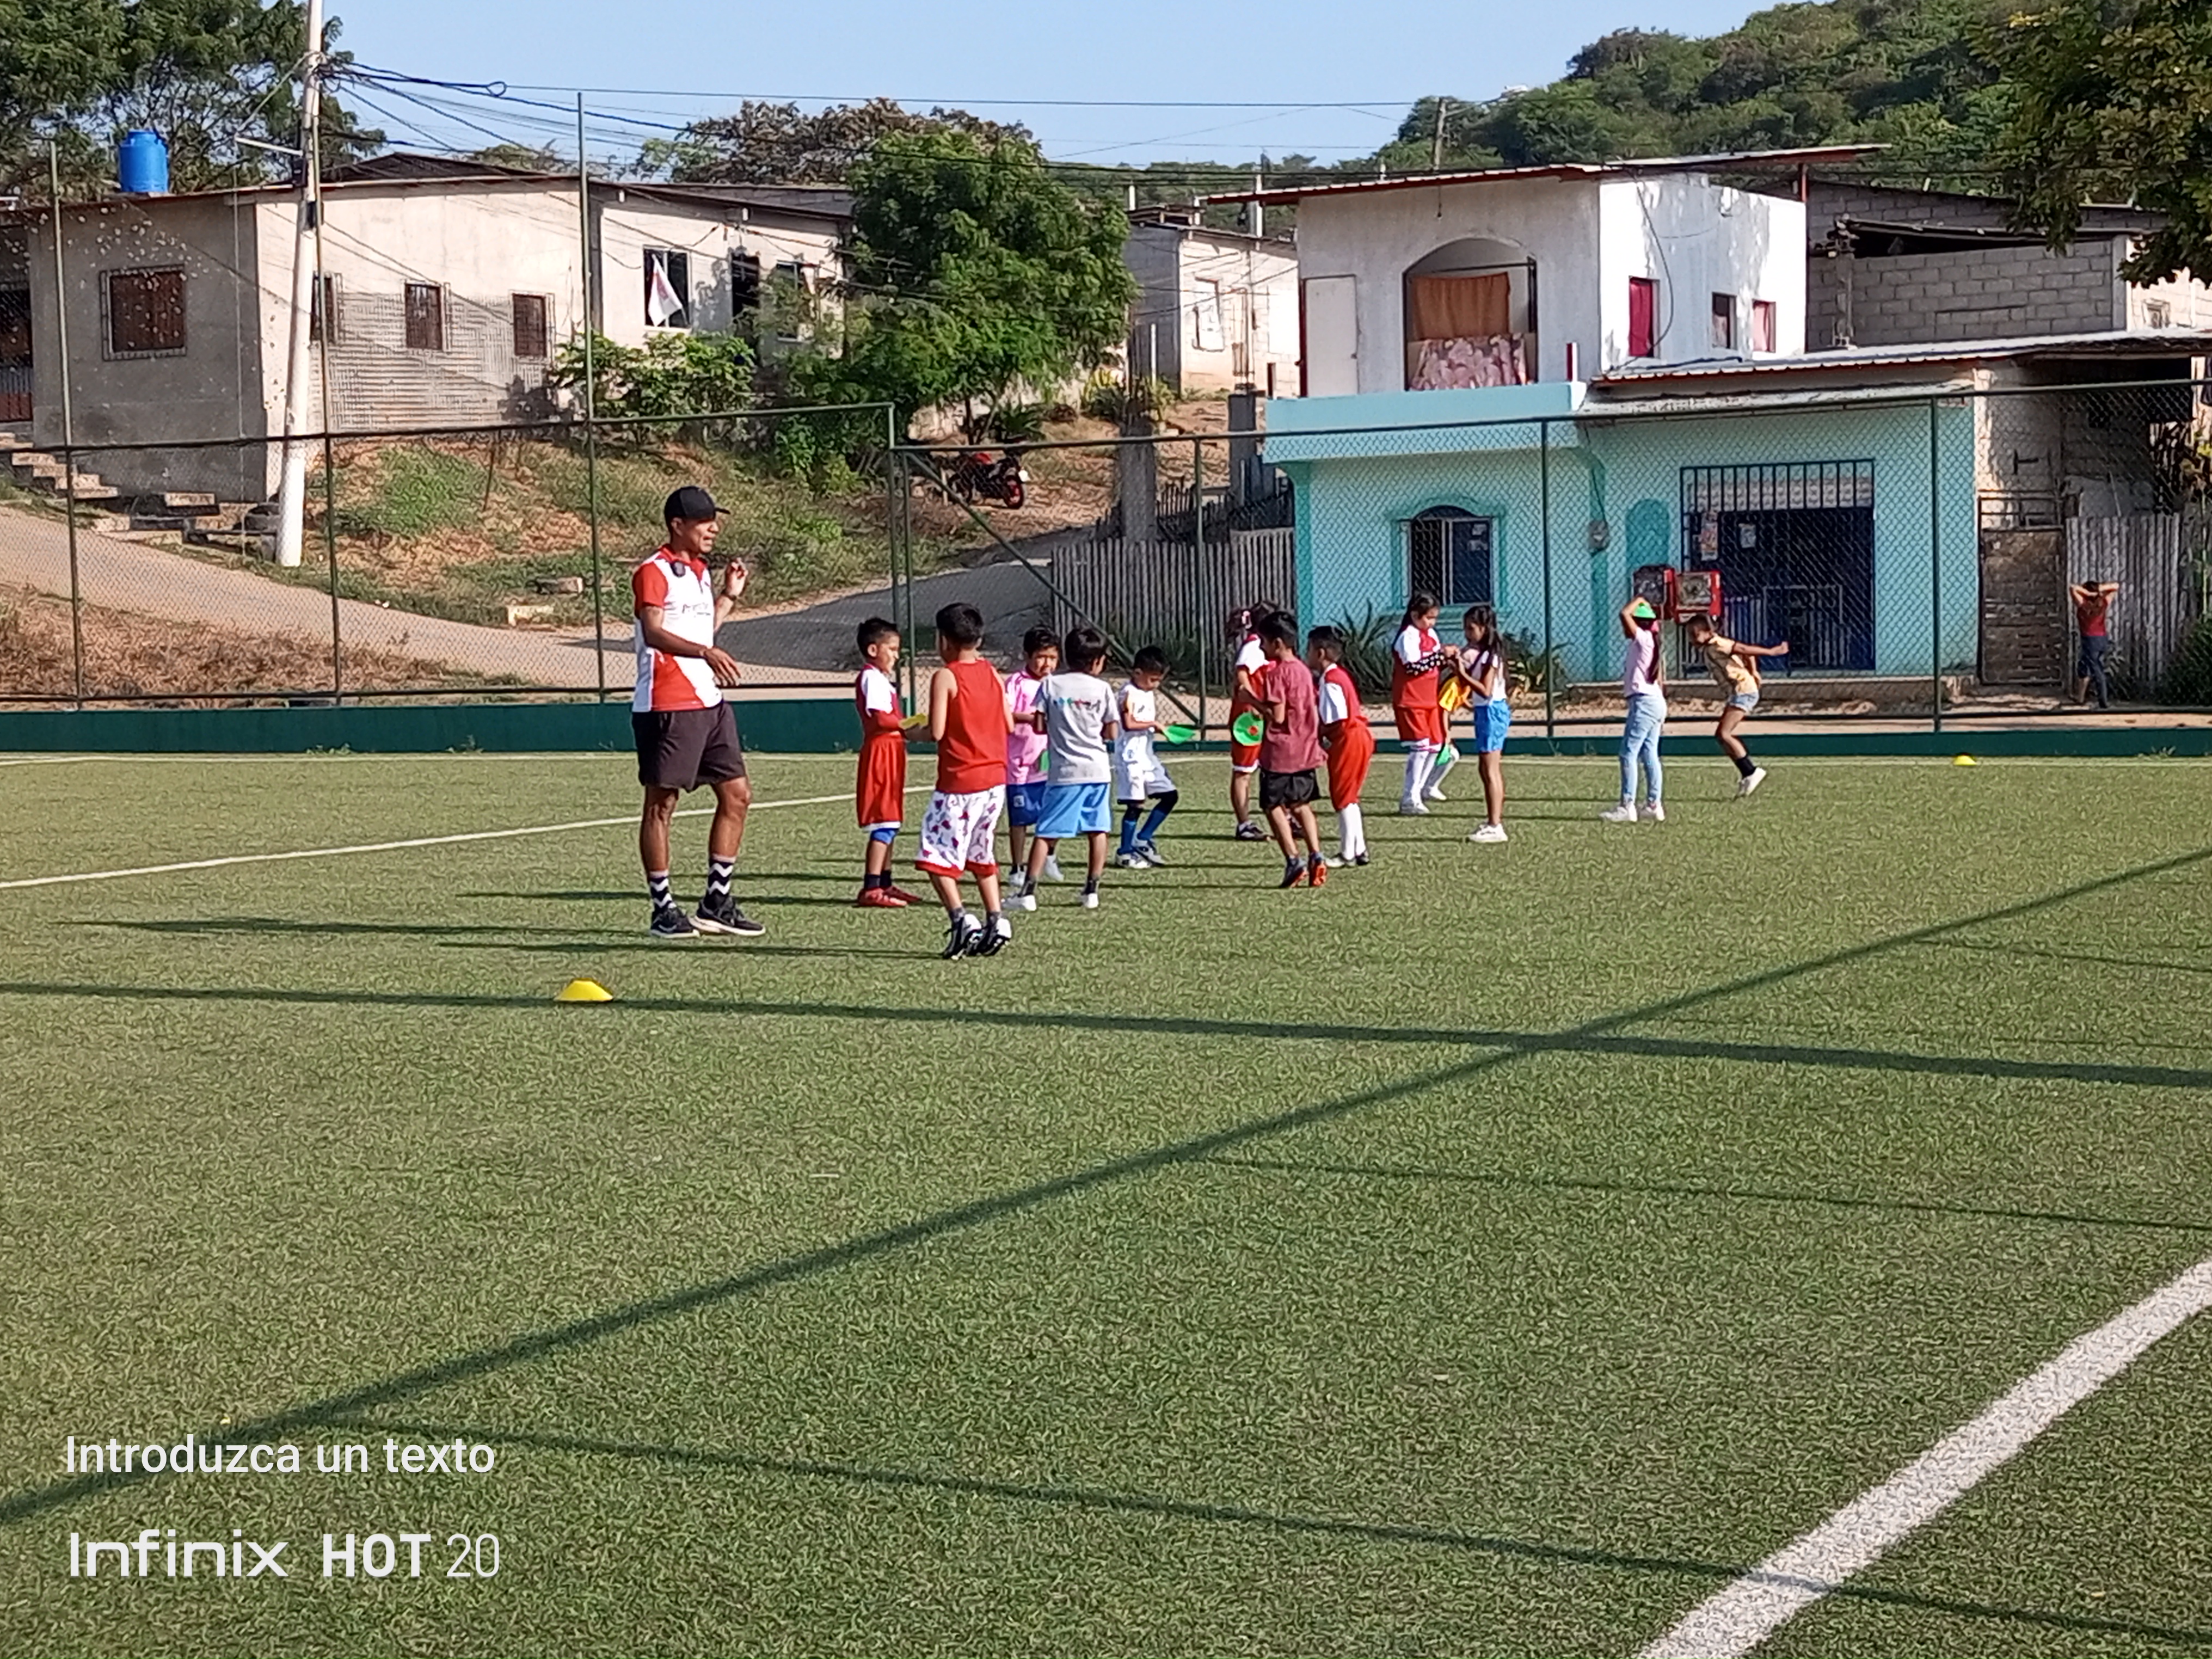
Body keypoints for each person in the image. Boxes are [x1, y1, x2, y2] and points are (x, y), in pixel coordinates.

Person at [631, 485, 765, 940]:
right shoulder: (652, 571)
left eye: (714, 520)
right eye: (705, 521)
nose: (714, 528)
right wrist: (706, 653)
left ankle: (716, 902)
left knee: (738, 795)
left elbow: (701, 629)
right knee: (662, 805)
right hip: (667, 704)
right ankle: (663, 909)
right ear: (678, 525)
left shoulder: (700, 571)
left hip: (709, 703)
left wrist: (729, 596)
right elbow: (653, 632)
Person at [917, 603, 1014, 958]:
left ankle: (961, 919)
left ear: (943, 640)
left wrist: (907, 732)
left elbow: (936, 731)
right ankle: (996, 919)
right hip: (995, 781)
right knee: (981, 851)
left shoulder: (946, 676)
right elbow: (1007, 723)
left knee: (934, 852)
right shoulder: (992, 673)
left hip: (960, 781)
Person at [1015, 626, 1119, 912]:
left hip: (1065, 772)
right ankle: (1092, 890)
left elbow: (1039, 725)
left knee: (1047, 831)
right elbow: (1111, 732)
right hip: (1098, 770)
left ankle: (1028, 892)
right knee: (1098, 829)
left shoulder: (1051, 685)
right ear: (1096, 661)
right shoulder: (1103, 689)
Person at [852, 616, 922, 908]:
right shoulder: (871, 677)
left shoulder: (881, 680)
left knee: (891, 819)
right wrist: (910, 724)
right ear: (873, 650)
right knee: (883, 820)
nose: (896, 655)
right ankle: (871, 887)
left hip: (892, 751)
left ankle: (885, 882)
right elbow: (881, 719)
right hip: (881, 753)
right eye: (891, 649)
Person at [1255, 612, 1328, 888]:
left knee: (1272, 805)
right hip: (1305, 749)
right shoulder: (1303, 670)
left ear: (1276, 644)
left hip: (1280, 752)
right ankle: (1316, 855)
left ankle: (1293, 860)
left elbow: (1278, 717)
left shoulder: (1276, 674)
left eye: (1263, 642)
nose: (1261, 647)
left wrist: (1251, 699)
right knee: (1301, 804)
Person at [1686, 613, 1788, 797]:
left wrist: (1771, 653)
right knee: (1722, 736)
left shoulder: (1718, 644)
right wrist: (1753, 671)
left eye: (1695, 634)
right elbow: (1744, 653)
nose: (1691, 639)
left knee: (1724, 734)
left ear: (1708, 632)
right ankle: (1747, 773)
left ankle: (1751, 772)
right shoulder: (1709, 648)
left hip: (1743, 690)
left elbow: (1743, 648)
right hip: (1738, 691)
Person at [1308, 625, 1373, 867]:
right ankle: (1359, 849)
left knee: (1342, 796)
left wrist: (1318, 735)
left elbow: (1335, 718)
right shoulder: (1339, 675)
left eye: (1310, 650)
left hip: (1348, 739)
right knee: (1350, 795)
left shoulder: (1330, 680)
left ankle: (1347, 853)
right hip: (1359, 736)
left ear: (1321, 653)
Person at [1113, 644, 1180, 869]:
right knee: (1136, 805)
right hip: (1130, 758)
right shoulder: (1127, 693)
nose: (1156, 685)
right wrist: (1154, 724)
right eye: (1152, 680)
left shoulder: (1147, 692)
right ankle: (1124, 853)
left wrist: (1163, 727)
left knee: (1170, 796)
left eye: (1159, 680)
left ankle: (1142, 839)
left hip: (1147, 757)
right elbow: (1128, 724)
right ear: (1137, 673)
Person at [1602, 598, 1668, 824]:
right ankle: (1653, 805)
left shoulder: (1644, 639)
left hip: (1644, 702)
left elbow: (1624, 614)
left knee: (1628, 754)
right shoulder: (1650, 642)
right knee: (1649, 753)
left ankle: (1627, 805)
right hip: (1654, 701)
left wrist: (1639, 600)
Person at [1391, 592, 1456, 815]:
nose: (1432, 623)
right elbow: (1413, 667)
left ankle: (1419, 791)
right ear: (1415, 615)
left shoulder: (1432, 635)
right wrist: (1440, 656)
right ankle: (1409, 797)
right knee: (1420, 747)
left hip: (1429, 699)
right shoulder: (1408, 636)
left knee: (1435, 746)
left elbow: (1433, 665)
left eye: (1435, 618)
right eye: (1428, 617)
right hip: (1411, 699)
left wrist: (1449, 660)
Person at [1004, 626, 1059, 884]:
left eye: (1052, 658)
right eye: (1041, 657)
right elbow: (1005, 714)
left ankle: (1049, 857)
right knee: (1020, 819)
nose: (1047, 664)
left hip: (1050, 762)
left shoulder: (1056, 684)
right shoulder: (1016, 683)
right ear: (1027, 656)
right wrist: (1032, 718)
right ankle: (1017, 867)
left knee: (1053, 812)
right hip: (1020, 765)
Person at [1453, 606, 1512, 844]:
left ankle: (1495, 825)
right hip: (1485, 711)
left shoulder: (1491, 657)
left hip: (1491, 712)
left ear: (1485, 629)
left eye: (1471, 629)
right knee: (1484, 768)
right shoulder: (1481, 654)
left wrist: (1462, 674)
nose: (1467, 634)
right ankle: (1492, 821)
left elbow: (1486, 691)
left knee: (1490, 769)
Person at [1227, 602, 1276, 840]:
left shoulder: (1261, 645)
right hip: (1249, 719)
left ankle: (1284, 817)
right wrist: (1254, 703)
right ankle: (1244, 825)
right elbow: (1242, 674)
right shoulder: (1254, 646)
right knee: (1243, 771)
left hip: (1261, 715)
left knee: (1270, 767)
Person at [2072, 579, 2121, 709]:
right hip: (2101, 639)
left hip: (2090, 640)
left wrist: (2090, 593)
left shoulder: (2083, 604)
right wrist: (2099, 591)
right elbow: (2116, 586)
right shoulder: (2103, 602)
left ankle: (2103, 701)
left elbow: (2073, 588)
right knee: (2084, 666)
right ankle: (2080, 698)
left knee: (2097, 669)